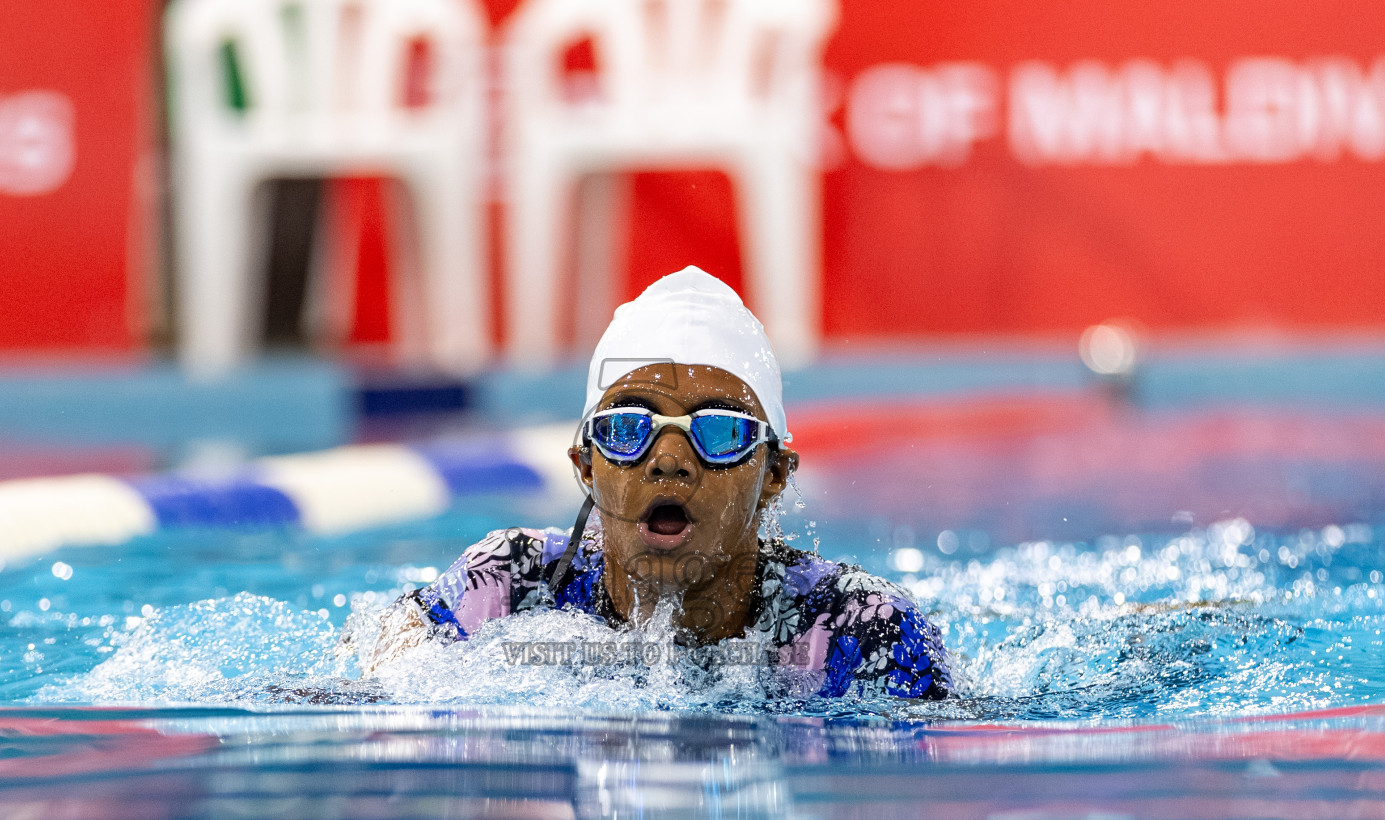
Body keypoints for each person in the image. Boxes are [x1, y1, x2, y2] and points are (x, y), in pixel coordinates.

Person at [362, 266, 954, 701]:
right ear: (585, 465)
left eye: (721, 431)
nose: (669, 461)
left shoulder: (859, 626)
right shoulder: (512, 583)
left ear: (773, 474)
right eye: (628, 428)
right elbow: (381, 672)